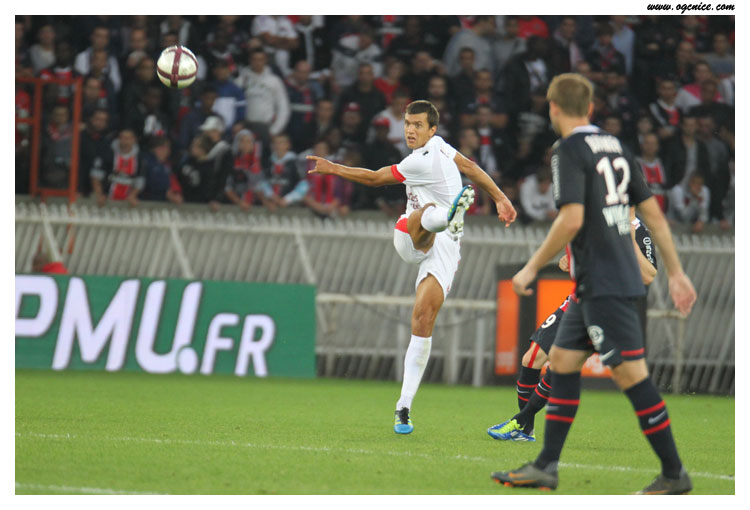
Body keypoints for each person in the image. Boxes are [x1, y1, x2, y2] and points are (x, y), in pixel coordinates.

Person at [491, 73, 696, 494]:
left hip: (607, 285)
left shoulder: (567, 149)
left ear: (553, 108)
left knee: (633, 379)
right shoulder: (617, 147)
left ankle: (675, 474)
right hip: (593, 286)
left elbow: (571, 219)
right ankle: (545, 465)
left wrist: (531, 268)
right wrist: (676, 272)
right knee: (562, 364)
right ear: (589, 107)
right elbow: (653, 215)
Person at [306, 100, 517, 434]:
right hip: (410, 234)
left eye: (418, 125)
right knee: (427, 212)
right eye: (407, 123)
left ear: (432, 130)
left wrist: (334, 168)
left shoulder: (430, 153)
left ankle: (403, 407)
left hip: (444, 245)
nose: (410, 130)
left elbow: (378, 178)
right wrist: (500, 197)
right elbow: (470, 169)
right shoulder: (435, 150)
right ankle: (448, 215)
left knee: (422, 319)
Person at [488, 210, 657, 442]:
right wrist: (570, 261)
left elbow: (649, 274)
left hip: (608, 306)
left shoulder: (639, 231)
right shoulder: (596, 218)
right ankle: (525, 429)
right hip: (578, 299)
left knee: (565, 364)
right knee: (531, 358)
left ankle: (521, 422)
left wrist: (628, 239)